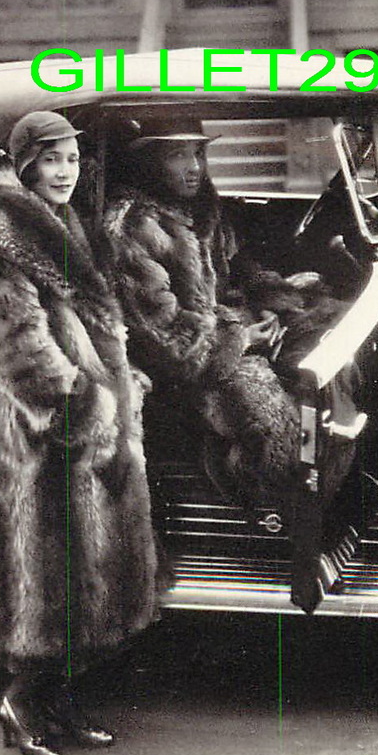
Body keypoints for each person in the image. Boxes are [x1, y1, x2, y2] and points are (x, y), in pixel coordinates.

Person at [0, 110, 160, 755]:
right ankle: (19, 704)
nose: (65, 170)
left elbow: (87, 323)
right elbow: (15, 351)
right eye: (51, 159)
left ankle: (60, 703)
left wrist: (119, 378)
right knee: (41, 589)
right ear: (25, 164)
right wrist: (86, 410)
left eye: (71, 158)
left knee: (83, 583)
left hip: (80, 425)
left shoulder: (61, 221)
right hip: (37, 437)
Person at [101, 115, 334, 505]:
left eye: (198, 153)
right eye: (178, 155)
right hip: (183, 371)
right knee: (274, 426)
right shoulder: (133, 227)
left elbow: (238, 268)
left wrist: (275, 299)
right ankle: (256, 512)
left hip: (222, 344)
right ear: (150, 162)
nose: (194, 166)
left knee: (322, 353)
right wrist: (241, 334)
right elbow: (165, 337)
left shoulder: (203, 207)